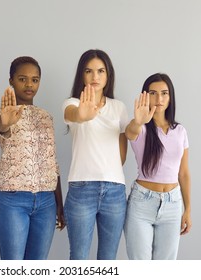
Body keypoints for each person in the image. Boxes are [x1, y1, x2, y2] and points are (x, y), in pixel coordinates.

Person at [0, 56, 65, 260]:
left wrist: (59, 204)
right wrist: (5, 121)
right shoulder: (0, 113)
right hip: (13, 200)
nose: (29, 84)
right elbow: (0, 127)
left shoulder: (46, 117)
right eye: (22, 79)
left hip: (46, 202)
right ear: (11, 81)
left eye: (35, 79)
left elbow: (53, 161)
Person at [63, 49, 128, 260]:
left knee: (108, 260)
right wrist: (83, 114)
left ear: (108, 75)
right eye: (89, 71)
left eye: (100, 71)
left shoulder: (118, 108)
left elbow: (122, 151)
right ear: (81, 75)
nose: (95, 77)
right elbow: (74, 115)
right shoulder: (72, 103)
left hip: (114, 191)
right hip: (82, 190)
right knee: (79, 258)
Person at [124, 73, 192, 260]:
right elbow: (129, 133)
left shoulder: (180, 131)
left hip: (173, 204)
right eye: (153, 93)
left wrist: (188, 209)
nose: (159, 98)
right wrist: (138, 121)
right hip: (142, 203)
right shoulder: (140, 127)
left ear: (171, 97)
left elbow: (184, 173)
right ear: (145, 96)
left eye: (164, 93)